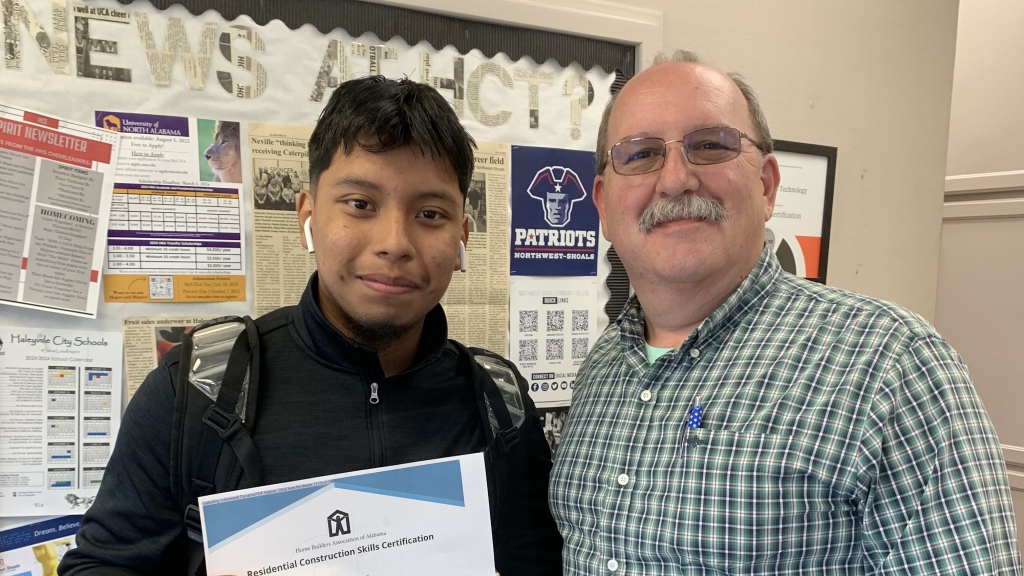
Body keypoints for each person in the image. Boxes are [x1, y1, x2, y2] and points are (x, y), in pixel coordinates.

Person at [60, 76, 562, 576]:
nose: (395, 242)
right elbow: (100, 566)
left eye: (430, 213)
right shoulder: (199, 388)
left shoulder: (499, 403)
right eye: (360, 204)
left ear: (461, 238)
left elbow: (535, 562)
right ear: (308, 215)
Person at [549, 50, 1022, 575]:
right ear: (603, 207)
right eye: (640, 155)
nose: (676, 179)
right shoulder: (600, 372)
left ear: (768, 185)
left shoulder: (892, 367)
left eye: (710, 146)